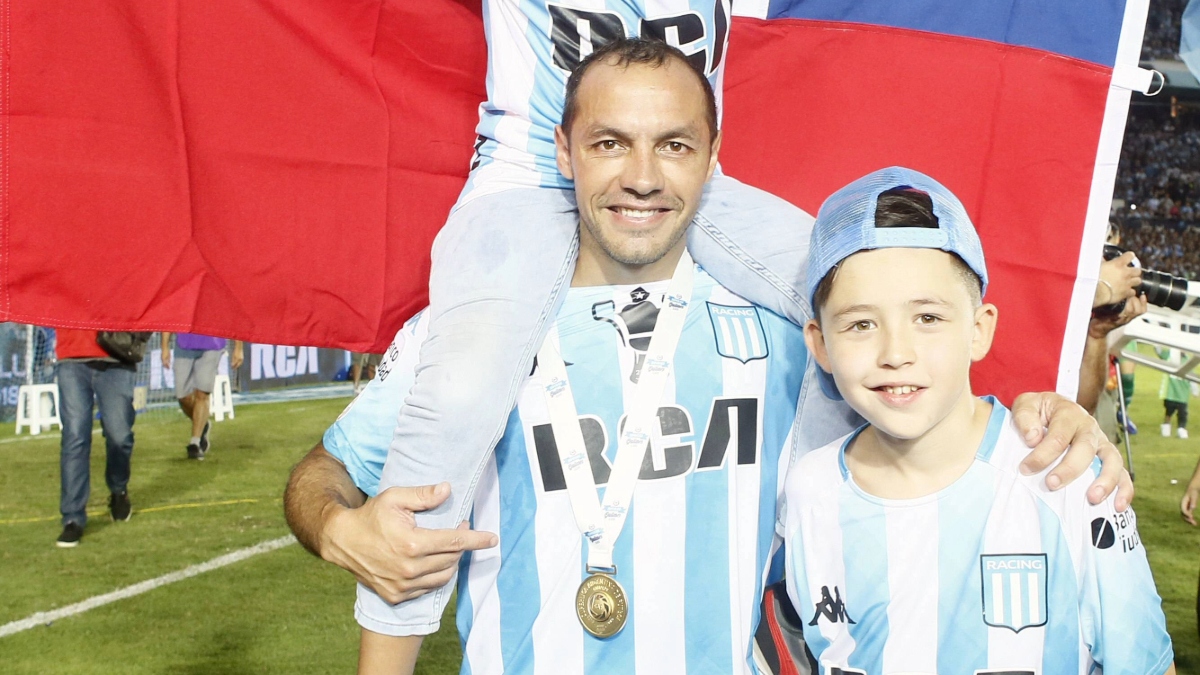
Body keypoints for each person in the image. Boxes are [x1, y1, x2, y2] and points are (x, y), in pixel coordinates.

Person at [285, 40, 1131, 672]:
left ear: (713, 159)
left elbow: (927, 394)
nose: (642, 175)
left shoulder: (786, 332)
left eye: (675, 145)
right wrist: (336, 526)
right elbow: (322, 473)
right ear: (564, 153)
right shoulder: (477, 329)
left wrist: (1047, 414)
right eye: (610, 143)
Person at [784, 167, 1173, 672]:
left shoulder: (1067, 478)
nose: (896, 353)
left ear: (978, 329)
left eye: (928, 318)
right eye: (861, 324)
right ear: (820, 346)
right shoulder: (808, 489)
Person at [54, 329, 138, 547]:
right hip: (72, 356)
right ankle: (72, 518)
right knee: (75, 436)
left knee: (120, 436)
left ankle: (118, 489)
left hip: (117, 356)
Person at [160, 332, 244, 460]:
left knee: (202, 394)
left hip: (212, 344)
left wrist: (238, 347)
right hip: (184, 343)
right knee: (182, 396)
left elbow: (233, 316)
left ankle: (195, 443)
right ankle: (202, 423)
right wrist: (164, 346)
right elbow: (171, 316)